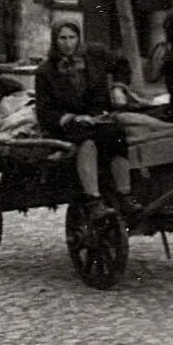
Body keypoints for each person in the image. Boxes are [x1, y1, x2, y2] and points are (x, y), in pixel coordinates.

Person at [33, 22, 138, 219]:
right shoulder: (45, 72)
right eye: (62, 38)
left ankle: (125, 195)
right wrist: (70, 118)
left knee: (116, 135)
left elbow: (121, 64)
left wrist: (118, 87)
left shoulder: (94, 57)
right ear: (55, 41)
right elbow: (44, 111)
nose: (68, 43)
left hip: (97, 116)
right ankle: (94, 200)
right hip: (67, 124)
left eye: (72, 38)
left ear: (78, 38)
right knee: (86, 140)